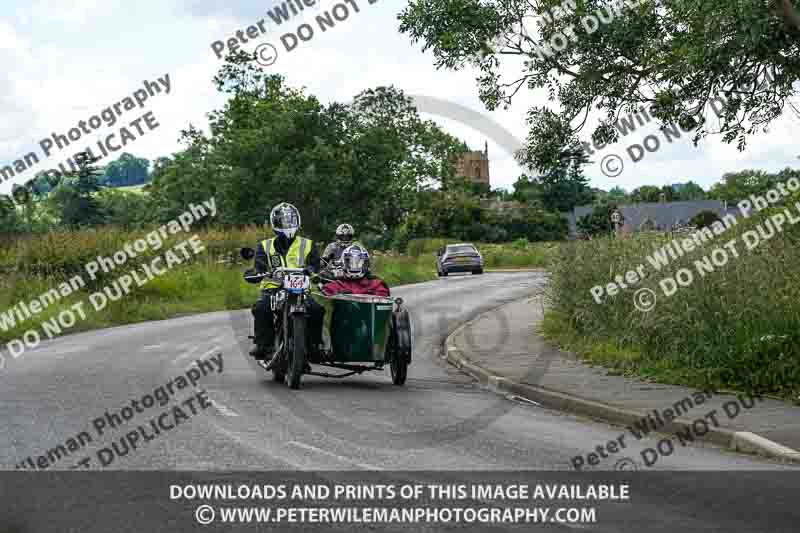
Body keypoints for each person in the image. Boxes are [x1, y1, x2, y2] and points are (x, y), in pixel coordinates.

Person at [250, 202, 324, 370]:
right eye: (283, 221)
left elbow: (315, 265)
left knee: (316, 310)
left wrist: (312, 271)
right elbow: (259, 266)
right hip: (273, 288)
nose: (287, 224)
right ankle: (264, 345)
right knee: (261, 307)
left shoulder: (308, 244)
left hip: (301, 290)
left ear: (297, 221)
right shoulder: (264, 246)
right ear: (275, 223)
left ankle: (314, 346)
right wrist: (260, 272)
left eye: (290, 220)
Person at [321, 245, 390, 297]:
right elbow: (325, 297)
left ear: (366, 263)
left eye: (359, 262)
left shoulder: (376, 284)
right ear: (343, 263)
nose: (355, 266)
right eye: (350, 262)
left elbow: (383, 305)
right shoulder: (336, 285)